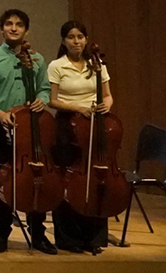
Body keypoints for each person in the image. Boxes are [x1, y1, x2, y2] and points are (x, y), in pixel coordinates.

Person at [0, 8, 57, 254]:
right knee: (1, 182)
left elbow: (44, 89)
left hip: (30, 129)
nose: (14, 28)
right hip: (2, 126)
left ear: (26, 30)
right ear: (2, 28)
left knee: (37, 178)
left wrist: (41, 100)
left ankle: (38, 235)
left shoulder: (36, 59)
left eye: (19, 25)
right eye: (9, 24)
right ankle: (1, 234)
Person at [47, 19, 114, 254]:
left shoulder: (97, 64)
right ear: (64, 41)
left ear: (86, 40)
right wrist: (78, 108)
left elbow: (107, 95)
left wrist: (106, 105)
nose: (76, 41)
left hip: (94, 124)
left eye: (80, 37)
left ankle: (94, 238)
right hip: (66, 125)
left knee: (97, 179)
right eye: (71, 37)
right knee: (67, 179)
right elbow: (52, 100)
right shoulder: (57, 65)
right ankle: (68, 237)